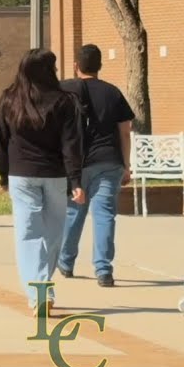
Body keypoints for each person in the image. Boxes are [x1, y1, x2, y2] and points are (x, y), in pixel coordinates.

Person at [0, 48, 86, 313]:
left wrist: (3, 174)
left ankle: (40, 290)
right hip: (54, 176)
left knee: (30, 234)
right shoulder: (64, 101)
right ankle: (41, 291)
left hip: (22, 175)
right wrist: (75, 180)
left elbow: (0, 140)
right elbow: (72, 144)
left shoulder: (10, 98)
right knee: (53, 234)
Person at [58, 44, 135, 287]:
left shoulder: (65, 91)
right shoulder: (113, 93)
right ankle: (103, 270)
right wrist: (126, 165)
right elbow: (125, 131)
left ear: (76, 66)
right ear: (100, 66)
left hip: (77, 163)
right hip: (108, 161)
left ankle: (65, 262)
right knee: (104, 215)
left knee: (73, 212)